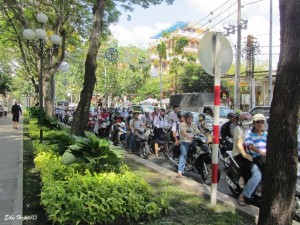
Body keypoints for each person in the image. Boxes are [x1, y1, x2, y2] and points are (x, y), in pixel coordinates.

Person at [237, 114, 267, 206]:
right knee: (257, 176)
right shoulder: (249, 133)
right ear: (254, 123)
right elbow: (250, 145)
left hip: (265, 159)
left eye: (262, 122)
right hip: (253, 160)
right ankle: (243, 195)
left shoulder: (266, 134)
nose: (260, 124)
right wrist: (261, 152)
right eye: (258, 122)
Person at [232, 112, 253, 194]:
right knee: (247, 167)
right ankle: (243, 183)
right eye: (245, 120)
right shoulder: (238, 129)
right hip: (238, 153)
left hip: (249, 152)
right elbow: (239, 144)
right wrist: (245, 155)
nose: (247, 122)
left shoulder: (249, 129)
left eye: (248, 120)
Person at [177, 112, 201, 178]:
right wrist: (188, 136)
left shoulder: (193, 125)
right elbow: (183, 132)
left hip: (192, 142)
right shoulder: (182, 124)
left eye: (191, 118)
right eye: (189, 118)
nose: (190, 119)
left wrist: (205, 135)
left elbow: (198, 132)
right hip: (184, 141)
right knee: (183, 155)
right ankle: (179, 171)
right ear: (185, 118)